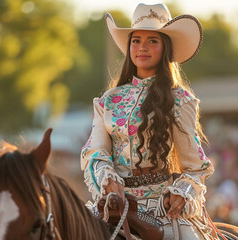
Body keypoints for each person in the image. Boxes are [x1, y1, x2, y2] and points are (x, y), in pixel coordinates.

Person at [81, 3, 219, 239]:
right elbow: (95, 152)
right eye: (136, 40)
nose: (142, 47)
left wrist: (183, 192)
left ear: (164, 47)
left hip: (163, 211)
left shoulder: (180, 100)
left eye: (152, 41)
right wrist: (107, 179)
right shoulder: (108, 100)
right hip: (113, 205)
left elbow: (195, 167)